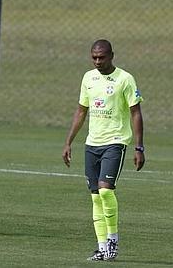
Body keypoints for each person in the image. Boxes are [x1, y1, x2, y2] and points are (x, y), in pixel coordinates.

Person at [62, 39, 145, 261]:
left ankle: (113, 241)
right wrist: (69, 141)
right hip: (92, 144)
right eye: (94, 57)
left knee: (106, 191)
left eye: (102, 57)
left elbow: (136, 112)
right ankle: (101, 248)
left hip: (115, 142)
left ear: (111, 56)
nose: (97, 61)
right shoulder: (88, 78)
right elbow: (81, 112)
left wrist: (139, 147)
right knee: (96, 196)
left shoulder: (125, 79)